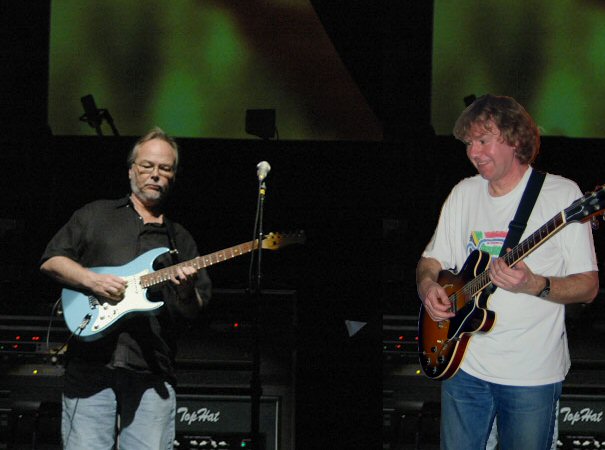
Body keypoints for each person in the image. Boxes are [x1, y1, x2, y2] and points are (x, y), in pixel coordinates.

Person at [416, 94, 599, 449]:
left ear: (515, 140)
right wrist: (427, 287)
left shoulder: (562, 196)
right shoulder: (464, 193)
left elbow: (588, 286)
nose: (473, 152)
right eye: (469, 143)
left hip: (531, 374)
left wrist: (535, 284)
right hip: (464, 366)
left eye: (483, 140)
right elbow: (431, 261)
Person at [40, 127, 212, 450]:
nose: (155, 175)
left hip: (151, 370)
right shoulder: (95, 215)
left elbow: (194, 311)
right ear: (131, 169)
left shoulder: (180, 240)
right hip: (90, 364)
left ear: (174, 176)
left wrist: (187, 291)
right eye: (147, 166)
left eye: (165, 168)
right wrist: (92, 281)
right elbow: (51, 260)